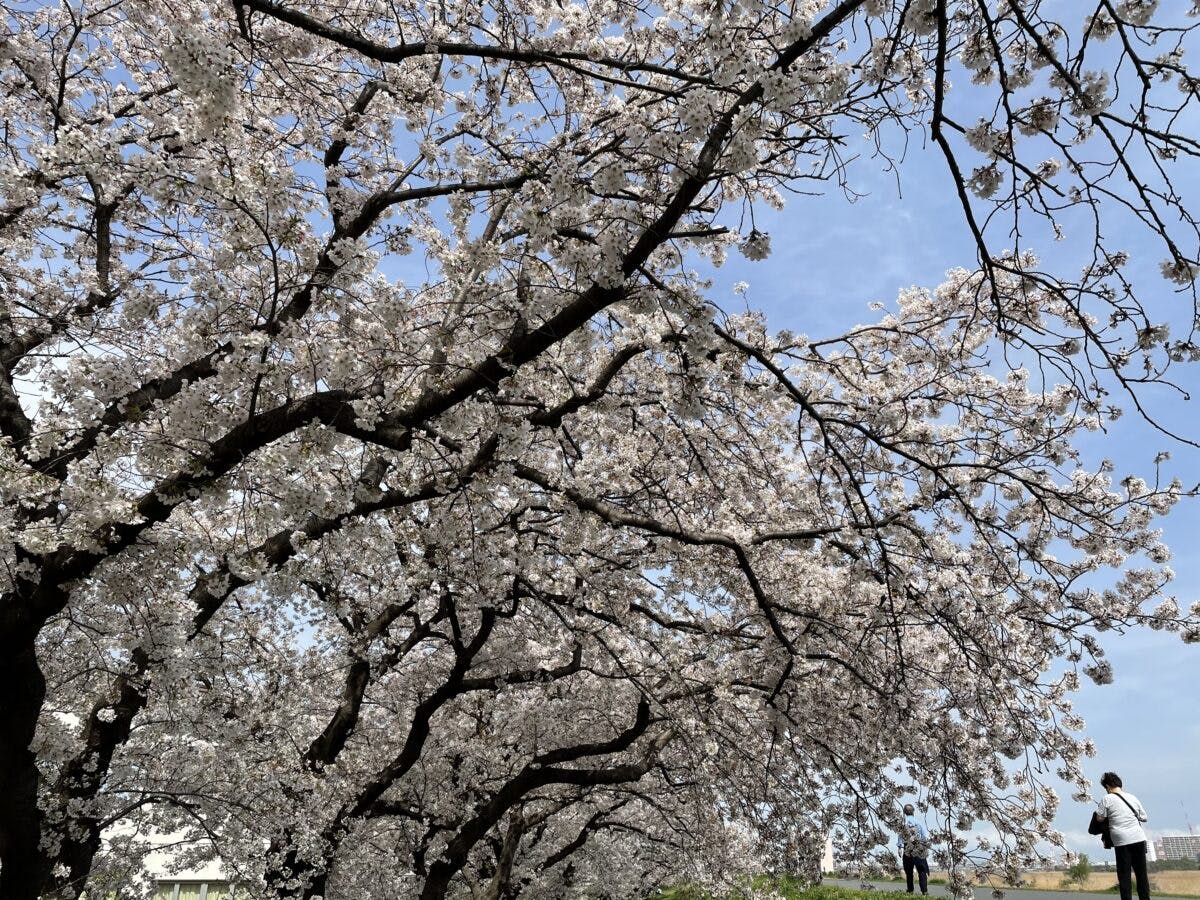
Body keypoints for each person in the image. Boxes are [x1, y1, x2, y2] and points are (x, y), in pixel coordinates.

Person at [1095, 771, 1151, 900]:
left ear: (1107, 786)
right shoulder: (1132, 797)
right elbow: (1144, 817)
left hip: (1121, 841)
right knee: (1142, 874)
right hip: (1139, 838)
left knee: (1124, 876)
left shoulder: (1106, 799)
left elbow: (1099, 818)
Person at [898, 803, 931, 896]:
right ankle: (924, 891)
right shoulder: (919, 822)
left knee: (909, 871)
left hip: (907, 848)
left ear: (904, 812)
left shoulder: (903, 823)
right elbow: (924, 837)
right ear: (913, 812)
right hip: (919, 847)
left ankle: (910, 890)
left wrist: (900, 847)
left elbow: (900, 836)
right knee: (921, 870)